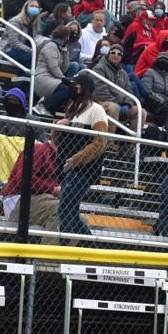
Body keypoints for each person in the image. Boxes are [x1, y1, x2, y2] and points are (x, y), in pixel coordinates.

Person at [55, 72, 108, 236]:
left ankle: (69, 247)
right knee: (69, 209)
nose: (74, 89)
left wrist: (77, 159)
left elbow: (100, 142)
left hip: (84, 170)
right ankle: (87, 244)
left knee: (65, 208)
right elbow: (58, 141)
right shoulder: (72, 108)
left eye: (77, 86)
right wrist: (57, 126)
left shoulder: (96, 109)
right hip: (67, 168)